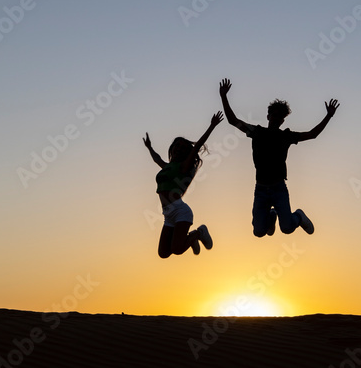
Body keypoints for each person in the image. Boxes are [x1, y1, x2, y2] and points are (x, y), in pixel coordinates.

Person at [218, 78, 338, 237]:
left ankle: (299, 216)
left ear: (283, 120)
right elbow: (233, 121)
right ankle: (271, 217)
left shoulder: (286, 136)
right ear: (268, 116)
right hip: (261, 189)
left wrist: (328, 116)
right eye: (274, 115)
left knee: (287, 228)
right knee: (259, 232)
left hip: (278, 188)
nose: (276, 118)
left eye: (280, 117)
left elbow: (312, 134)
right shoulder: (257, 132)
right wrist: (223, 97)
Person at [143, 112, 222, 258]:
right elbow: (157, 159)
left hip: (180, 211)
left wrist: (212, 126)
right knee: (164, 253)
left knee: (177, 249)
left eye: (182, 147)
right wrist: (149, 147)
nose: (178, 148)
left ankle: (198, 233)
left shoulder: (183, 167)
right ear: (172, 148)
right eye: (176, 146)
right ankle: (191, 238)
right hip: (168, 214)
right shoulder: (168, 167)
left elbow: (197, 146)